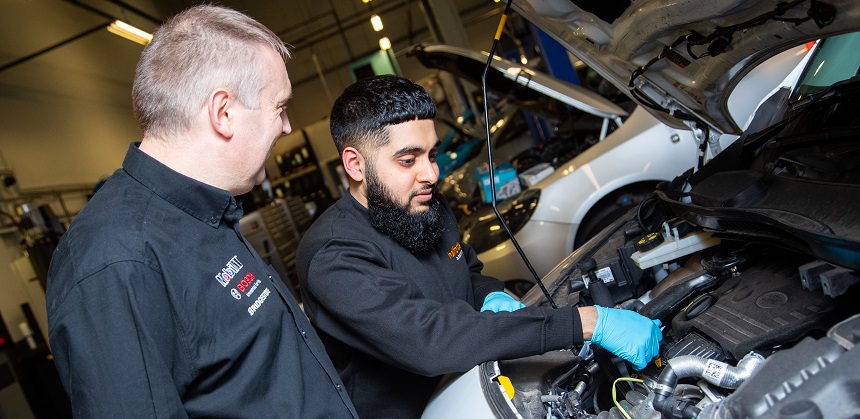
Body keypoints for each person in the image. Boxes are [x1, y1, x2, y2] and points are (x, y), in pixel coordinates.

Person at [45, 5, 358, 418]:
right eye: (279, 107)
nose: (285, 126)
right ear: (224, 112)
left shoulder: (205, 210)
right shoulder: (115, 261)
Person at [296, 75, 663, 418]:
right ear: (355, 164)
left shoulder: (423, 204)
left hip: (473, 384)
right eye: (408, 160)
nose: (431, 174)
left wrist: (491, 295)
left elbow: (467, 271)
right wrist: (588, 322)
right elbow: (432, 340)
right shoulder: (332, 256)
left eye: (432, 155)